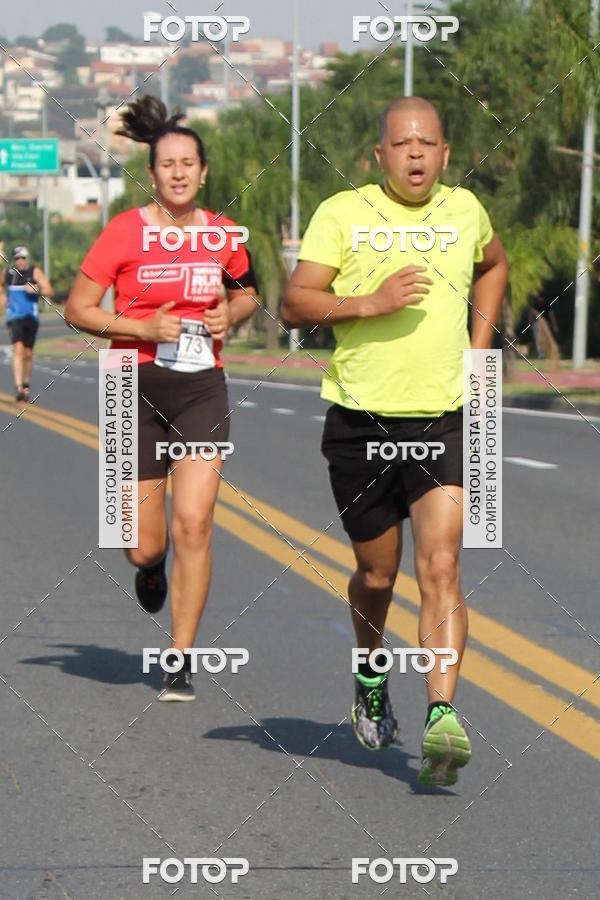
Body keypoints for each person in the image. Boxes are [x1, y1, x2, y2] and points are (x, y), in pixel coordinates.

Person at [283, 97, 508, 786]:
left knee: (441, 567)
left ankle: (442, 711)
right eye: (402, 143)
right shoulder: (343, 212)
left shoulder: (466, 210)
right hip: (361, 421)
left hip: (443, 416)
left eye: (428, 143)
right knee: (378, 574)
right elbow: (295, 303)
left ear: (445, 154)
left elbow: (495, 264)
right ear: (377, 155)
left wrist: (479, 351)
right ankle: (371, 669)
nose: (415, 154)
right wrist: (368, 303)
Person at [65, 96, 258, 701]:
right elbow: (77, 310)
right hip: (131, 383)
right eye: (166, 164)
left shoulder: (225, 234)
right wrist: (143, 330)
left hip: (201, 387)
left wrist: (234, 311)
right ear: (152, 175)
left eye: (188, 164)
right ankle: (151, 567)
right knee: (143, 542)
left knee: (195, 523)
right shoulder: (124, 232)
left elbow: (248, 294)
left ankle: (181, 657)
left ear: (203, 173)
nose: (177, 173)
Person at [0, 245, 54, 402]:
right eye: (18, 258)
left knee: (28, 353)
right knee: (18, 349)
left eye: (23, 258)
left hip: (31, 317)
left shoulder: (34, 272)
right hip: (14, 317)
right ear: (14, 260)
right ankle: (18, 387)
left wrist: (37, 289)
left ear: (27, 258)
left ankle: (25, 384)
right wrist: (3, 296)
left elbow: (49, 291)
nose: (21, 261)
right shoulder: (8, 273)